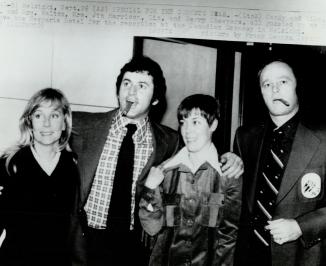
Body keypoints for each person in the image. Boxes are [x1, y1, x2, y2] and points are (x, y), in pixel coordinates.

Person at [70, 56, 243, 266]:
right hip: (86, 241)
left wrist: (229, 156)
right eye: (126, 84)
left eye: (141, 86)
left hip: (136, 246)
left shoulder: (168, 140)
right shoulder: (83, 124)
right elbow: (42, 128)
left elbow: (198, 147)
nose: (131, 93)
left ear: (156, 99)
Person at [233, 60, 326, 266]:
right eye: (266, 84)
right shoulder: (245, 137)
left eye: (283, 81)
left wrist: (302, 226)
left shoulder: (324, 138)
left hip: (302, 257)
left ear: (297, 86)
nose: (274, 89)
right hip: (250, 256)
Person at [139, 94, 242, 266]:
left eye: (195, 122)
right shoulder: (165, 171)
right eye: (183, 122)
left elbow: (228, 236)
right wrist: (149, 189)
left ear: (213, 125)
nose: (187, 130)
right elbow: (152, 227)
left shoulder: (229, 174)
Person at [0, 88, 78, 266]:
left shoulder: (74, 167)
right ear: (29, 123)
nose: (46, 124)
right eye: (38, 116)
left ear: (64, 123)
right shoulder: (10, 164)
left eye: (54, 116)